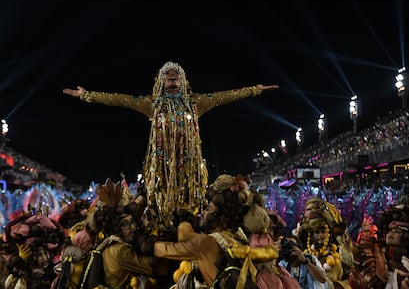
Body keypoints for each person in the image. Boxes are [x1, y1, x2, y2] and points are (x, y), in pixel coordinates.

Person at [63, 61, 278, 229]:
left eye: (176, 73)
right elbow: (120, 99)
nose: (172, 74)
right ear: (160, 81)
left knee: (191, 205)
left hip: (190, 172)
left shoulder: (196, 103)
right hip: (162, 172)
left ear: (183, 80)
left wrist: (255, 89)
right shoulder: (151, 105)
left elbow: (227, 96)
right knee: (161, 205)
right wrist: (87, 96)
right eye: (166, 74)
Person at [153, 174, 279, 288]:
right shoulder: (240, 234)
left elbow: (163, 249)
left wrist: (151, 242)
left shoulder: (205, 242)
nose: (202, 213)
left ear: (221, 216)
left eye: (208, 209)